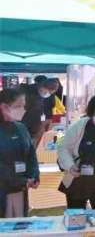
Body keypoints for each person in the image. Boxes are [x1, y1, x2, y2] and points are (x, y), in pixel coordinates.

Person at [0, 89, 40, 218]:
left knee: (19, 223)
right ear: (4, 107)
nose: (22, 109)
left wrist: (34, 175)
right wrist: (21, 181)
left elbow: (31, 154)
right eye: (18, 106)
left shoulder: (20, 127)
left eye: (23, 106)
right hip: (4, 188)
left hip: (21, 189)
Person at [21, 77, 59, 146]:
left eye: (50, 93)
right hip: (25, 125)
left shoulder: (45, 96)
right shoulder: (27, 93)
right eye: (46, 92)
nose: (47, 94)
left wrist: (43, 122)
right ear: (42, 86)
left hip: (35, 126)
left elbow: (44, 110)